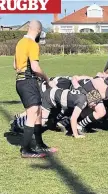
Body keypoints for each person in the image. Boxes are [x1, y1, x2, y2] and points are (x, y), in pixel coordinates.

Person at [14, 20, 56, 158]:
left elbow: (15, 65)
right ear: (38, 31)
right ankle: (26, 150)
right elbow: (35, 68)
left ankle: (39, 144)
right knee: (32, 114)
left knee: (37, 113)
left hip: (21, 81)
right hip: (28, 81)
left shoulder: (20, 43)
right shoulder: (33, 44)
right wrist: (47, 79)